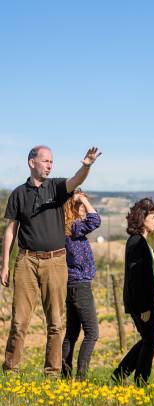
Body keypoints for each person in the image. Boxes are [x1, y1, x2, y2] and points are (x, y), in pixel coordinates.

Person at [1, 145, 101, 376]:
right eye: (45, 161)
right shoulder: (18, 193)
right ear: (31, 162)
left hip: (56, 262)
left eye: (51, 162)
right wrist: (5, 264)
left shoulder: (56, 187)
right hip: (26, 261)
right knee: (19, 322)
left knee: (55, 322)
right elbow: (10, 231)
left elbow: (76, 180)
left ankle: (52, 372)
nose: (49, 165)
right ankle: (10, 370)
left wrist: (86, 165)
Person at [112, 198, 154, 386]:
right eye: (153, 217)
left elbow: (150, 268)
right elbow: (137, 276)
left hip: (144, 300)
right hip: (142, 302)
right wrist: (144, 306)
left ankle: (120, 374)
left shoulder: (140, 242)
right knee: (150, 341)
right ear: (142, 218)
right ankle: (140, 381)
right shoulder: (136, 242)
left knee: (150, 339)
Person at [62, 190, 101, 380]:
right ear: (71, 208)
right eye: (79, 206)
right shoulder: (74, 227)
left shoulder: (65, 229)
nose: (84, 209)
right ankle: (80, 378)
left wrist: (80, 201)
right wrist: (82, 198)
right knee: (92, 333)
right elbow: (96, 220)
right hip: (80, 285)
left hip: (71, 285)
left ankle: (65, 375)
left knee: (72, 333)